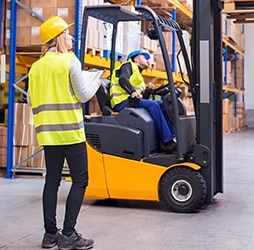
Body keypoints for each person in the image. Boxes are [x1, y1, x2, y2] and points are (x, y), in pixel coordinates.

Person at [27, 16, 100, 250]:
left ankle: (50, 235)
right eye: (67, 33)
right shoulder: (69, 61)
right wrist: (97, 81)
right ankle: (68, 234)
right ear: (58, 37)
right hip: (70, 132)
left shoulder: (36, 67)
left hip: (48, 134)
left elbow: (30, 98)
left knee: (52, 182)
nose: (71, 37)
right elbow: (83, 94)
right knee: (80, 181)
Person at [109, 50, 176, 153]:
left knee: (163, 104)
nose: (147, 60)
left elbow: (142, 98)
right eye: (144, 57)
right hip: (121, 102)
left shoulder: (138, 75)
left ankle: (172, 136)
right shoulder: (127, 65)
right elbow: (122, 79)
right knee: (153, 105)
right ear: (136, 59)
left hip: (130, 101)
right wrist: (132, 92)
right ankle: (167, 142)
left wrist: (148, 90)